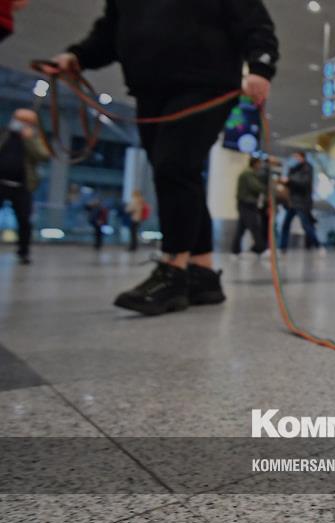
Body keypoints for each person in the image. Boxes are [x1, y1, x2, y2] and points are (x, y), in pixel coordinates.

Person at [48, 0, 279, 315]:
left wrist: (261, 67)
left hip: (206, 83)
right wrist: (77, 56)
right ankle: (202, 272)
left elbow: (255, 22)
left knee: (174, 166)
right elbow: (110, 32)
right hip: (148, 88)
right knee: (178, 171)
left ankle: (173, 270)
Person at [0, 108, 47, 264]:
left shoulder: (34, 138)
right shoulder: (5, 134)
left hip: (22, 185)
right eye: (19, 120)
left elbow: (43, 155)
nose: (21, 124)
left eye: (26, 122)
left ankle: (23, 252)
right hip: (1, 182)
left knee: (24, 220)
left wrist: (29, 139)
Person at [279, 151, 321, 251]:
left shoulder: (307, 168)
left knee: (306, 225)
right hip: (292, 202)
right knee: (285, 225)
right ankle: (282, 247)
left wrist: (289, 180)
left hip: (302, 202)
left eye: (296, 157)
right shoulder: (292, 169)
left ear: (302, 157)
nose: (294, 159)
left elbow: (304, 183)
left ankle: (318, 245)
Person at [231, 157, 268, 256]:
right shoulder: (248, 173)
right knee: (255, 226)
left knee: (241, 228)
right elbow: (255, 187)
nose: (260, 166)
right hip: (247, 204)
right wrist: (267, 188)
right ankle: (261, 248)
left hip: (245, 203)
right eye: (259, 163)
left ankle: (235, 250)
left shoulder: (249, 173)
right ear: (254, 163)